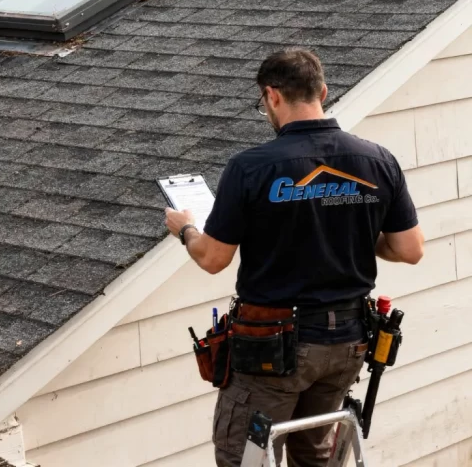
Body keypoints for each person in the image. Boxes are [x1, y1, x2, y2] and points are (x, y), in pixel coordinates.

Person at [164, 48, 424, 467]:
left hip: (274, 348)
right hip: (347, 342)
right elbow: (408, 249)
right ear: (322, 90)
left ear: (272, 96)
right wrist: (349, 225)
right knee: (315, 454)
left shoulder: (251, 167)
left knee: (244, 457)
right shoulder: (377, 159)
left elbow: (213, 259)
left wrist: (186, 229)